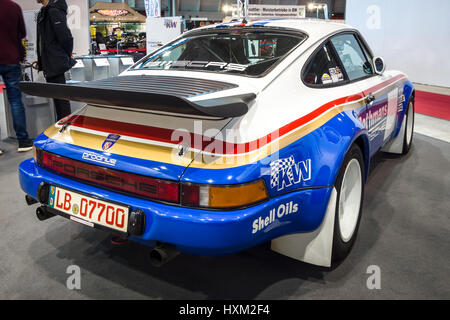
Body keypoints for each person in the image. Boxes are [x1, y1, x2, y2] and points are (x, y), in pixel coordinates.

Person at [34, 0, 75, 121]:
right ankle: (61, 128)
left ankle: (65, 129)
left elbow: (66, 37)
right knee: (58, 99)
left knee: (61, 100)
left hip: (56, 62)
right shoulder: (45, 12)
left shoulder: (53, 11)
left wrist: (64, 56)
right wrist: (42, 60)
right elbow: (45, 41)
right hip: (51, 62)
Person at [0, 0, 33, 152]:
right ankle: (23, 141)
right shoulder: (14, 7)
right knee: (15, 101)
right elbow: (23, 33)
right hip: (11, 58)